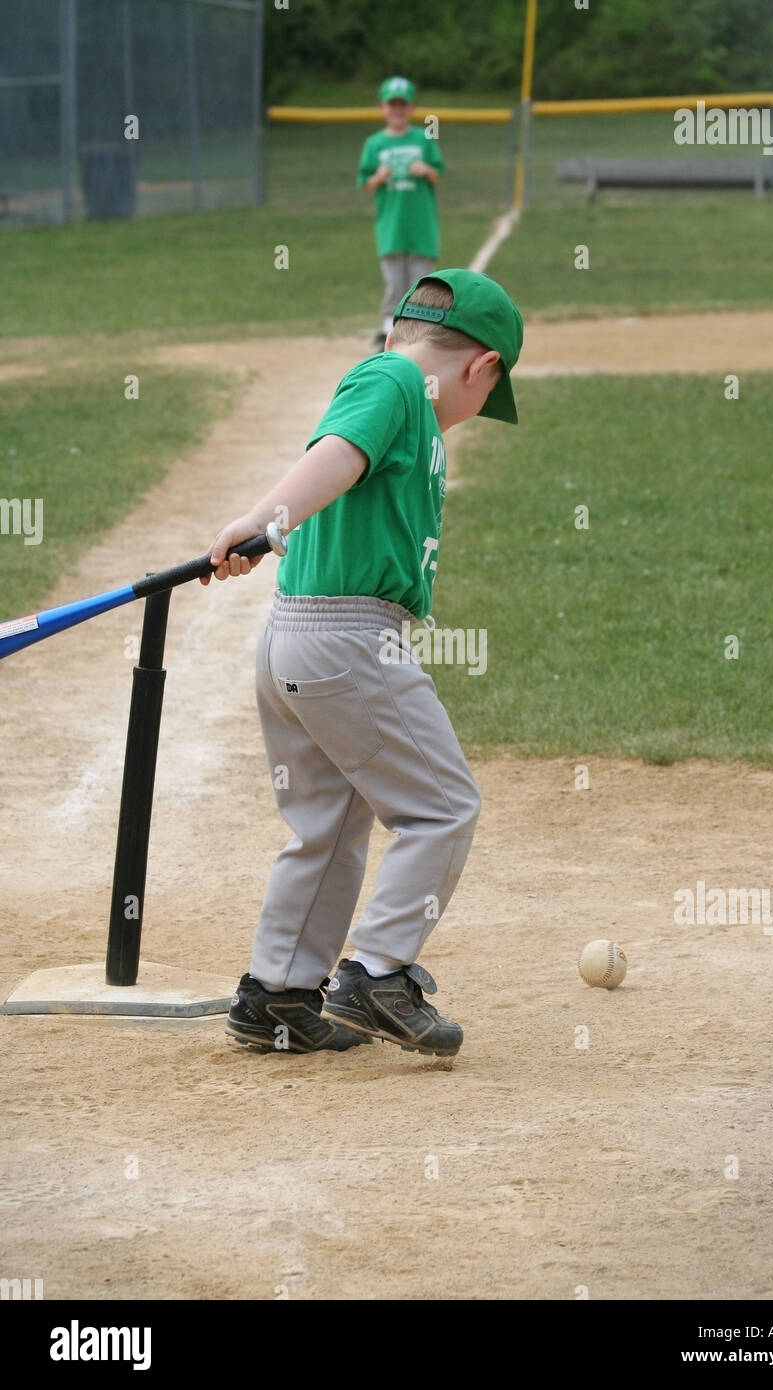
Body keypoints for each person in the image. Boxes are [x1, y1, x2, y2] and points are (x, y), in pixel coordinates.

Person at [202, 269, 523, 1058]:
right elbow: (339, 455)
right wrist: (262, 519)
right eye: (489, 394)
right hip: (350, 638)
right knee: (443, 805)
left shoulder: (397, 388)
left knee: (330, 821)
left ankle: (278, 993)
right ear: (481, 368)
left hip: (296, 639)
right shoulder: (398, 382)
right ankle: (378, 973)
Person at [358, 76, 444, 352]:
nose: (397, 111)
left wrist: (427, 171)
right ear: (381, 108)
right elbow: (365, 182)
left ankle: (419, 333)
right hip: (391, 225)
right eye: (392, 105)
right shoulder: (375, 143)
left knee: (420, 281)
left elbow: (437, 175)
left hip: (421, 225)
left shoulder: (423, 138)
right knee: (395, 280)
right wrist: (378, 177)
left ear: (412, 108)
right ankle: (387, 329)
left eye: (403, 105)